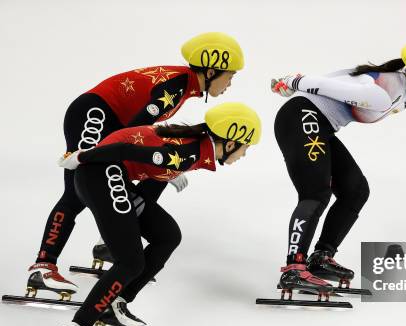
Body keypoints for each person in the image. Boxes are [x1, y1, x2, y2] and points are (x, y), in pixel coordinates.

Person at [26, 32, 245, 300]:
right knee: (75, 193)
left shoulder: (184, 85)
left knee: (125, 179)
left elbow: (140, 134)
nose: (230, 84)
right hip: (95, 113)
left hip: (110, 119)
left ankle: (110, 243)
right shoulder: (176, 86)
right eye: (230, 76)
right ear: (212, 70)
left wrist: (165, 167)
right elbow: (135, 132)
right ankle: (44, 266)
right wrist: (165, 161)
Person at [50, 102, 261, 326]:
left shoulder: (195, 146)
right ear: (231, 143)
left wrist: (165, 175)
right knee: (130, 262)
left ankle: (115, 304)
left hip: (111, 175)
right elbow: (128, 149)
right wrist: (81, 156)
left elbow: (149, 152)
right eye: (246, 148)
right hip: (98, 174)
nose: (244, 155)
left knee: (167, 236)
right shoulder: (188, 153)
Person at [270, 38, 406, 296]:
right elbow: (328, 85)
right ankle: (294, 267)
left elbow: (342, 78)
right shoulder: (384, 94)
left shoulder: (396, 86)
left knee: (355, 190)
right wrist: (293, 82)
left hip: (317, 123)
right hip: (301, 117)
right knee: (315, 193)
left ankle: (321, 257)